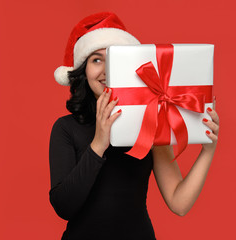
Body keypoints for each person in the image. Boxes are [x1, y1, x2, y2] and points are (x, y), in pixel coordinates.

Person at [49, 12, 220, 240]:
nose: (106, 70)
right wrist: (99, 143)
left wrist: (207, 151)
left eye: (113, 59)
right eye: (96, 59)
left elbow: (179, 203)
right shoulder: (65, 128)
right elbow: (64, 206)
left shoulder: (151, 121)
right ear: (83, 71)